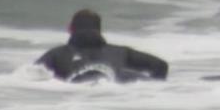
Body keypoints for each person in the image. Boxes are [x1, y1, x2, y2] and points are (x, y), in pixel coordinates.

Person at [36, 9, 169, 83]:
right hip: (107, 98)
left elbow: (31, 74)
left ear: (70, 29)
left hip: (75, 99)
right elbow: (161, 66)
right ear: (99, 30)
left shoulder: (56, 55)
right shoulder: (121, 52)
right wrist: (151, 94)